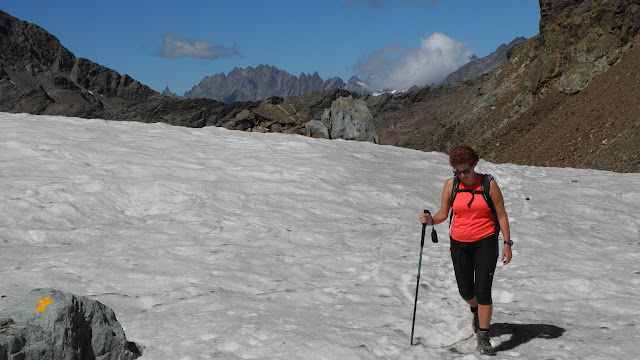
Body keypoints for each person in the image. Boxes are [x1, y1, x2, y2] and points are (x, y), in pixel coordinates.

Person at [420, 145, 512, 356]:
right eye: (458, 171)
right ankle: (475, 310)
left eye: (466, 171)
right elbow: (444, 213)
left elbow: (501, 215)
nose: (462, 175)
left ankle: (483, 335)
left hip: (485, 243)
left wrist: (507, 242)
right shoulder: (451, 186)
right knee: (465, 291)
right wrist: (431, 220)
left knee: (483, 291)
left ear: (474, 165)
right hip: (459, 243)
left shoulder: (488, 184)